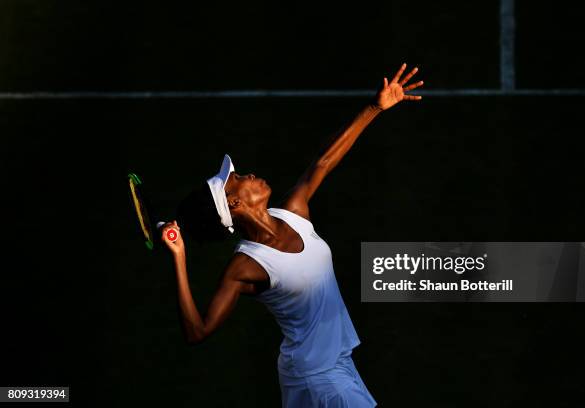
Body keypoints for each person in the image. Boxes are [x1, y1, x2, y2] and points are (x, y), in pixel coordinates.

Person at [160, 63, 424, 407]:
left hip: (332, 366)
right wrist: (179, 259)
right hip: (319, 378)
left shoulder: (293, 213)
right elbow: (198, 331)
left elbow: (324, 162)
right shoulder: (245, 266)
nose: (250, 174)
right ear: (235, 202)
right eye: (238, 178)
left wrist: (375, 107)